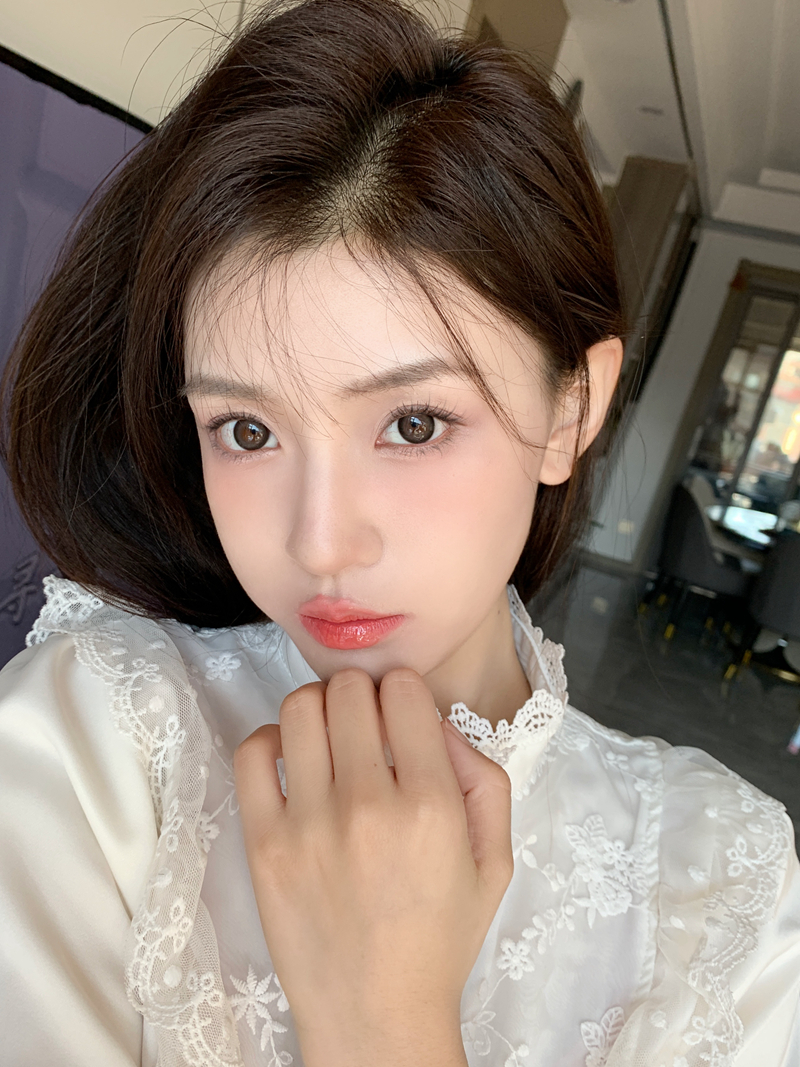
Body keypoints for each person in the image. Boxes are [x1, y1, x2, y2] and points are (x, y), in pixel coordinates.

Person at [1, 1, 799, 1064]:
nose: (320, 543)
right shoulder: (88, 740)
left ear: (571, 408)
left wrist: (381, 1022)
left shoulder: (730, 881)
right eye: (246, 429)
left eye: (413, 423)